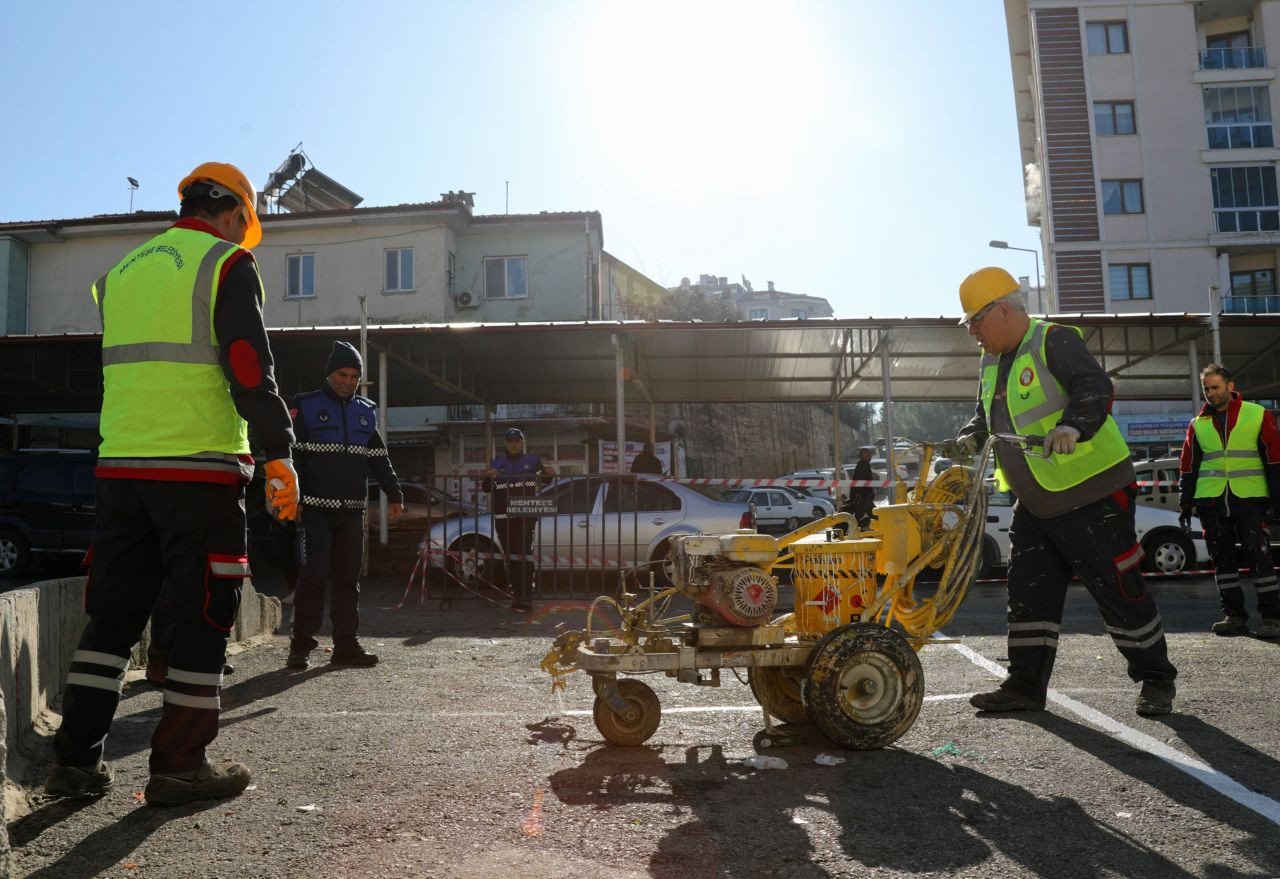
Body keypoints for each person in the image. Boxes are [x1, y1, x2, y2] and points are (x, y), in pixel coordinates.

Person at [45, 162, 299, 806]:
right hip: (199, 470)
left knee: (112, 619)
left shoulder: (122, 274)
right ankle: (180, 766)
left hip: (122, 469)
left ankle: (74, 763)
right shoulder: (225, 265)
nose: (245, 236)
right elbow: (247, 365)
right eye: (246, 223)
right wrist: (278, 452)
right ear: (236, 213)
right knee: (201, 619)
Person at [952, 267, 1177, 717]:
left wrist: (1074, 424)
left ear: (1002, 310)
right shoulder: (991, 362)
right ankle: (1025, 686)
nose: (972, 331)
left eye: (975, 320)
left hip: (1091, 493)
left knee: (1118, 588)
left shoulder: (1052, 340)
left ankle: (1156, 679)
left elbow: (1094, 386)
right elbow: (987, 420)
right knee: (1028, 591)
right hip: (1036, 500)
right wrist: (967, 439)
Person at [286, 342, 404, 669]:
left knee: (348, 580)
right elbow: (291, 457)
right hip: (313, 511)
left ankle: (346, 645)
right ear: (330, 373)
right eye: (343, 374)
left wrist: (394, 494)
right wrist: (290, 499)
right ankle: (300, 647)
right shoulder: (306, 407)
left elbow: (379, 458)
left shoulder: (366, 411)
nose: (348, 381)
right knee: (313, 577)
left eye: (354, 376)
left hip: (353, 514)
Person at [1177, 364, 1280, 638]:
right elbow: (1188, 467)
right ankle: (1234, 616)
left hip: (1250, 499)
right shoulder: (1197, 424)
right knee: (1222, 561)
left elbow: (1275, 459)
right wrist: (1185, 503)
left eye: (1215, 387)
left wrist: (1276, 499)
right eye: (1206, 389)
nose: (1211, 393)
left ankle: (1272, 618)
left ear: (1230, 386)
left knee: (1260, 558)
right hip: (1211, 501)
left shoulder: (1257, 414)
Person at [484, 428, 555, 611]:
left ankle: (527, 598)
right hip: (503, 517)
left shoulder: (533, 461)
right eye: (510, 440)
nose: (514, 443)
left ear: (523, 442)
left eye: (517, 440)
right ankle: (517, 597)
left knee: (525, 556)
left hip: (526, 516)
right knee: (512, 558)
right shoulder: (497, 462)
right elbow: (486, 487)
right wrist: (489, 476)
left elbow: (547, 480)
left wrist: (549, 473)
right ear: (506, 443)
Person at [841, 447, 876, 529]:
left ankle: (883, 528)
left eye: (869, 455)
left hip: (865, 495)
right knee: (859, 515)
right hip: (863, 495)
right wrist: (858, 493)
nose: (868, 456)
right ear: (861, 456)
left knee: (873, 513)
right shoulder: (863, 464)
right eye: (866, 455)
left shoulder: (863, 464)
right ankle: (848, 529)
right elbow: (860, 480)